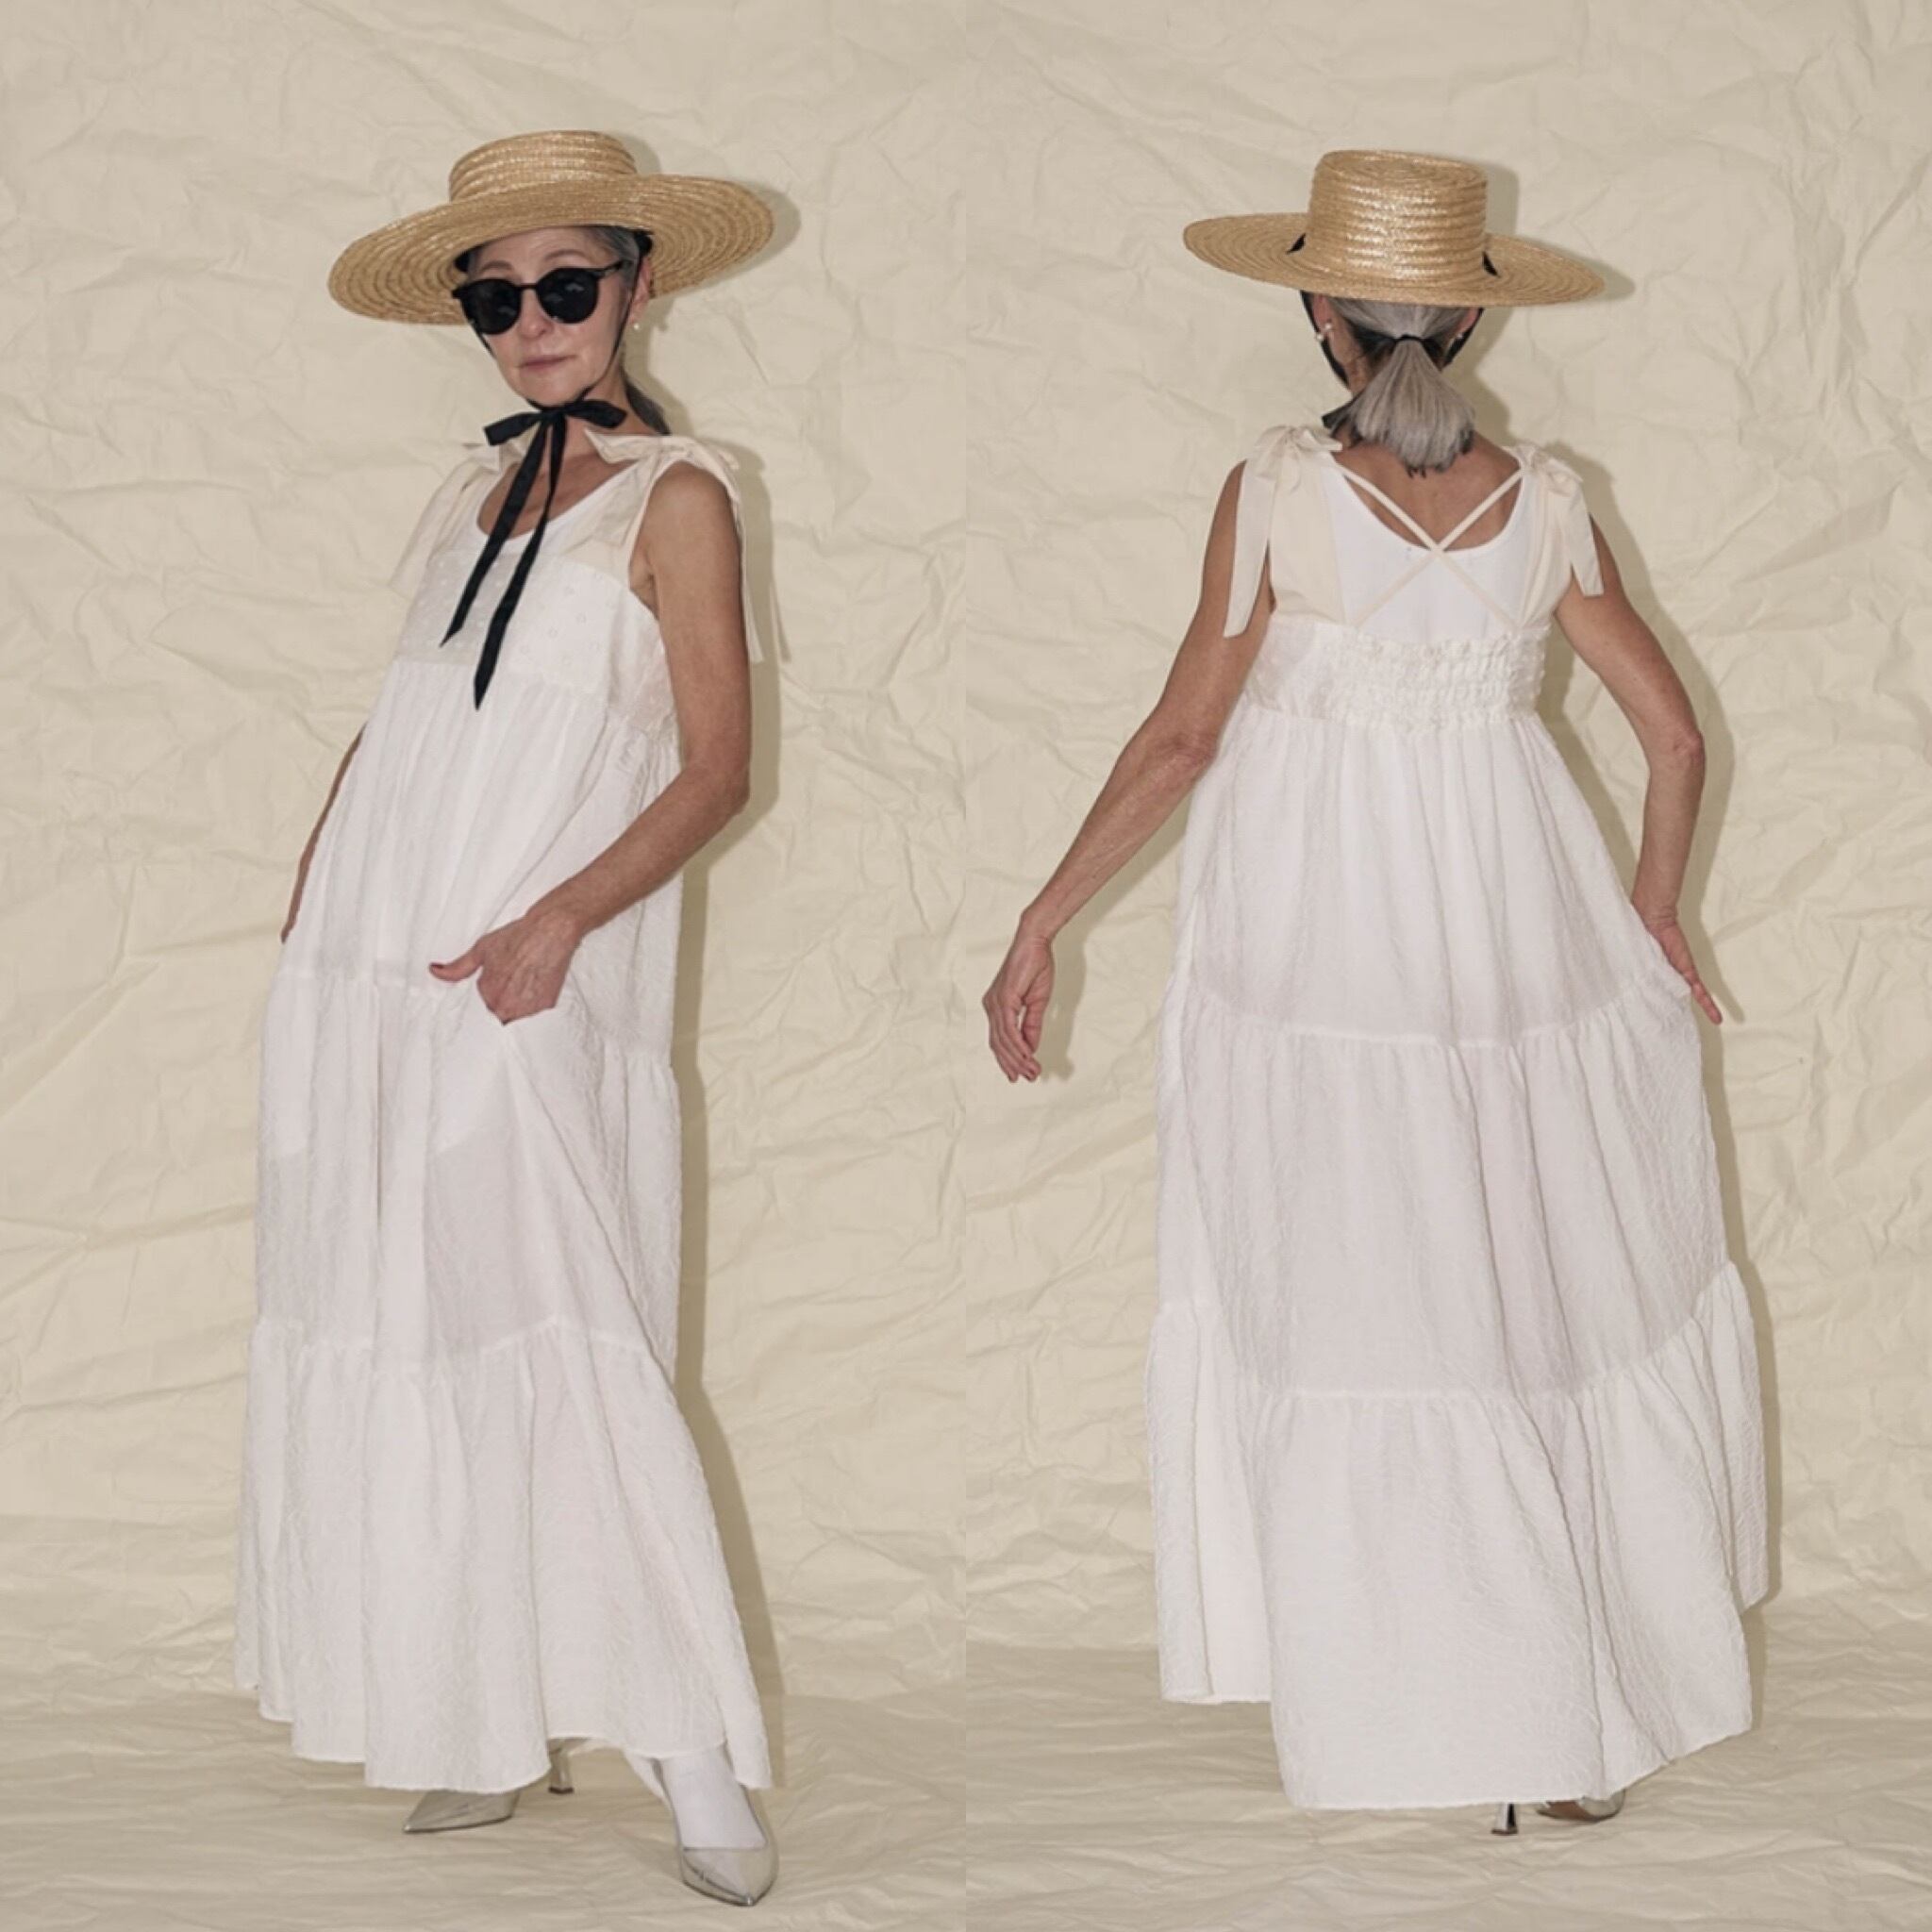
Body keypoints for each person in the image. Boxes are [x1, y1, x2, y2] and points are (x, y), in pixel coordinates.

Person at [983, 149, 1769, 1834]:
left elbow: (1183, 739)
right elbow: (1678, 740)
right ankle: (1565, 1720)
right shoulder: (1548, 499)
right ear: (1467, 322)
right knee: (1527, 1290)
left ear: (1318, 315)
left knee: (1366, 1300)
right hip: (1517, 940)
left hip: (1317, 948)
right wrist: (1650, 911)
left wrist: (1045, 916)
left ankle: (1422, 1708)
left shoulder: (1276, 487)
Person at [231, 129, 780, 1907]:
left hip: (533, 972)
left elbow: (716, 768)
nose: (531, 322)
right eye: (495, 299)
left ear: (637, 284)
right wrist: (318, 886)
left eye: (564, 284)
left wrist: (558, 919)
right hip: (373, 976)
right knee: (411, 1317)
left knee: (561, 1329)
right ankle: (479, 1717)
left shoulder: (678, 498)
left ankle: (690, 1753)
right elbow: (407, 721)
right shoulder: (461, 500)